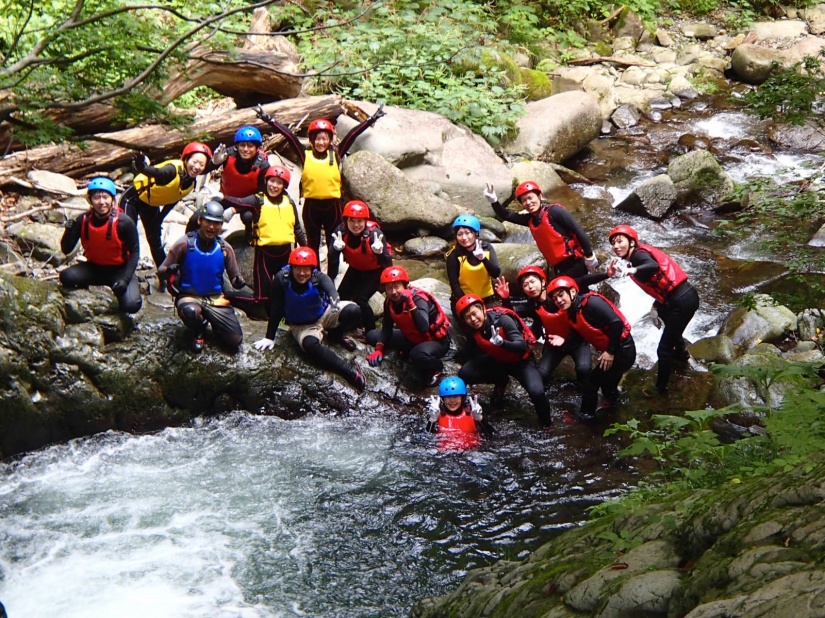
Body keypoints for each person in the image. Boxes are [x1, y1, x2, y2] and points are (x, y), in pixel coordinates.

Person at [255, 104, 386, 257]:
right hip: (311, 207)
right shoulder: (305, 155)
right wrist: (269, 120)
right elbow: (289, 136)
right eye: (318, 139)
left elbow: (352, 134)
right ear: (312, 140)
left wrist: (371, 119)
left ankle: (331, 277)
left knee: (334, 243)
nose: (321, 142)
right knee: (313, 244)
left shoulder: (336, 154)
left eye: (325, 139)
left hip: (333, 207)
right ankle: (313, 273)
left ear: (330, 139)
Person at [252, 247, 366, 390]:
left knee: (353, 310)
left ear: (312, 269)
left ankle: (336, 334)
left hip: (324, 314)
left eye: (306, 269)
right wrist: (270, 337)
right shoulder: (281, 280)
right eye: (298, 269)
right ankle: (349, 371)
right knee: (310, 345)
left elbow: (330, 287)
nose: (302, 273)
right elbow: (276, 310)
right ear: (292, 267)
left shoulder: (317, 277)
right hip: (302, 325)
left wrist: (335, 298)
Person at [608, 224, 699, 396]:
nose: (616, 246)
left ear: (632, 242)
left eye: (620, 241)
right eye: (613, 244)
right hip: (680, 298)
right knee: (668, 321)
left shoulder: (639, 256)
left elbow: (652, 267)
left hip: (682, 300)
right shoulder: (637, 256)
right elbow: (660, 285)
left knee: (663, 350)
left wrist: (632, 270)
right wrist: (655, 307)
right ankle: (682, 353)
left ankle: (660, 390)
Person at [158, 201, 246, 354]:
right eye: (208, 222)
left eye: (216, 223)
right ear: (200, 221)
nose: (212, 227)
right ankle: (198, 330)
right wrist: (170, 270)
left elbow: (234, 276)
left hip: (215, 298)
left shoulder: (225, 248)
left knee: (235, 340)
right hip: (189, 296)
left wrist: (238, 281)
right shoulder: (184, 244)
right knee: (191, 311)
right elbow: (161, 270)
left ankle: (214, 323)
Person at [456, 294, 553, 428]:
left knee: (537, 392)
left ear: (483, 309)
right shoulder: (471, 330)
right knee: (464, 374)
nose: (473, 319)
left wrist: (502, 343)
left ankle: (547, 425)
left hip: (521, 362)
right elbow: (472, 351)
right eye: (467, 317)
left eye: (474, 313)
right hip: (498, 360)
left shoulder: (503, 320)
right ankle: (501, 380)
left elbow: (521, 346)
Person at [547, 276, 636, 421]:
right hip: (617, 351)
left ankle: (586, 417)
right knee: (607, 385)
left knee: (591, 383)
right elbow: (578, 334)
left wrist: (610, 352)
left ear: (573, 292)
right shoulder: (573, 311)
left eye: (561, 295)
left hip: (622, 350)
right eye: (555, 298)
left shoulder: (591, 303)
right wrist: (563, 342)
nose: (559, 300)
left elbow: (616, 323)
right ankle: (613, 404)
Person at [222, 165, 307, 304]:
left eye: (279, 183)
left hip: (285, 253)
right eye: (272, 181)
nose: (274, 186)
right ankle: (228, 296)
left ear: (284, 186)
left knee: (285, 292)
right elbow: (239, 202)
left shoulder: (289, 202)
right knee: (261, 298)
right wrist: (223, 197)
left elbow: (297, 228)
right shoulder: (258, 200)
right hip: (264, 255)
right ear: (266, 181)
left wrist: (306, 249)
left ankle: (282, 316)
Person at [484, 181, 599, 284]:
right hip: (558, 266)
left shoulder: (555, 211)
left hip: (574, 262)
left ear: (540, 196)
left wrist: (589, 255)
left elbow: (577, 229)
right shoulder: (530, 220)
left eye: (530, 198)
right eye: (524, 201)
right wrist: (494, 201)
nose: (528, 202)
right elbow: (507, 215)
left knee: (562, 294)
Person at [121, 142, 212, 270]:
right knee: (126, 232)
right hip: (133, 198)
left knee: (155, 239)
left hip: (151, 203)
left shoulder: (190, 183)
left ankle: (164, 273)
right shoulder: (172, 170)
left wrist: (159, 219)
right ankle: (121, 267)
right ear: (186, 159)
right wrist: (142, 167)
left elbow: (172, 200)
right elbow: (156, 172)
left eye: (201, 165)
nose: (197, 167)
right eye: (195, 161)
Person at [494, 265, 591, 386]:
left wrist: (607, 275)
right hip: (553, 343)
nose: (530, 286)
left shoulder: (560, 296)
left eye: (532, 282)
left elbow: (582, 282)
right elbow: (511, 314)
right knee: (542, 375)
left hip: (577, 340)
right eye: (525, 285)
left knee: (584, 370)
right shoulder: (532, 305)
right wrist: (505, 298)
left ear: (543, 281)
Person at [60, 176, 142, 314]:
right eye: (97, 198)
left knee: (132, 305)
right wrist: (68, 232)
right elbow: (66, 249)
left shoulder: (124, 222)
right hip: (94, 269)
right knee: (66, 277)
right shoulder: (83, 220)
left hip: (119, 270)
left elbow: (135, 253)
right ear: (90, 200)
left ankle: (122, 291)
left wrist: (124, 280)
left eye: (105, 197)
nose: (101, 202)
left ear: (113, 200)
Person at [365, 266, 451, 387]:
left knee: (417, 355)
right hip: (412, 338)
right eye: (389, 288)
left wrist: (410, 303)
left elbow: (423, 327)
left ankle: (436, 368)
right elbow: (387, 328)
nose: (393, 292)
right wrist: (379, 349)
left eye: (397, 286)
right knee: (372, 336)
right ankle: (407, 349)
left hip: (435, 341)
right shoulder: (389, 302)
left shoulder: (419, 299)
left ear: (405, 286)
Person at [185, 125, 271, 236]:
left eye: (250, 146)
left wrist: (235, 209)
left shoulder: (263, 165)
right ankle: (188, 243)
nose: (245, 149)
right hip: (224, 197)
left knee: (248, 216)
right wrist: (214, 163)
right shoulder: (228, 154)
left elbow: (261, 196)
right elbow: (202, 171)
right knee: (195, 219)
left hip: (247, 203)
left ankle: (250, 233)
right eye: (242, 145)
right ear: (237, 146)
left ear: (257, 148)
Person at [327, 200, 392, 333]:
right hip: (356, 268)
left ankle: (370, 331)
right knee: (341, 297)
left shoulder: (376, 234)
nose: (356, 225)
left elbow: (388, 263)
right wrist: (330, 281)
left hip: (375, 271)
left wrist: (380, 254)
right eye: (352, 221)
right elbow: (333, 261)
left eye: (360, 221)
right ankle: (347, 324)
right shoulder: (340, 232)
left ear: (365, 221)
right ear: (346, 221)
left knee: (360, 299)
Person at [445, 214, 501, 314]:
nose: (464, 237)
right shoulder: (453, 256)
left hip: (486, 299)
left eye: (468, 233)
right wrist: (470, 305)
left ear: (476, 233)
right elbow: (455, 286)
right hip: (463, 300)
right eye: (460, 234)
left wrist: (483, 258)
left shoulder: (486, 248)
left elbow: (495, 273)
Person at [425, 376, 485, 450]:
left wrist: (480, 419)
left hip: (470, 451)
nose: (452, 401)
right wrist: (432, 420)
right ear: (443, 399)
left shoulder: (473, 412)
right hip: (445, 453)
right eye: (448, 397)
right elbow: (427, 437)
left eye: (456, 396)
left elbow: (492, 435)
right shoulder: (436, 413)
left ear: (462, 397)